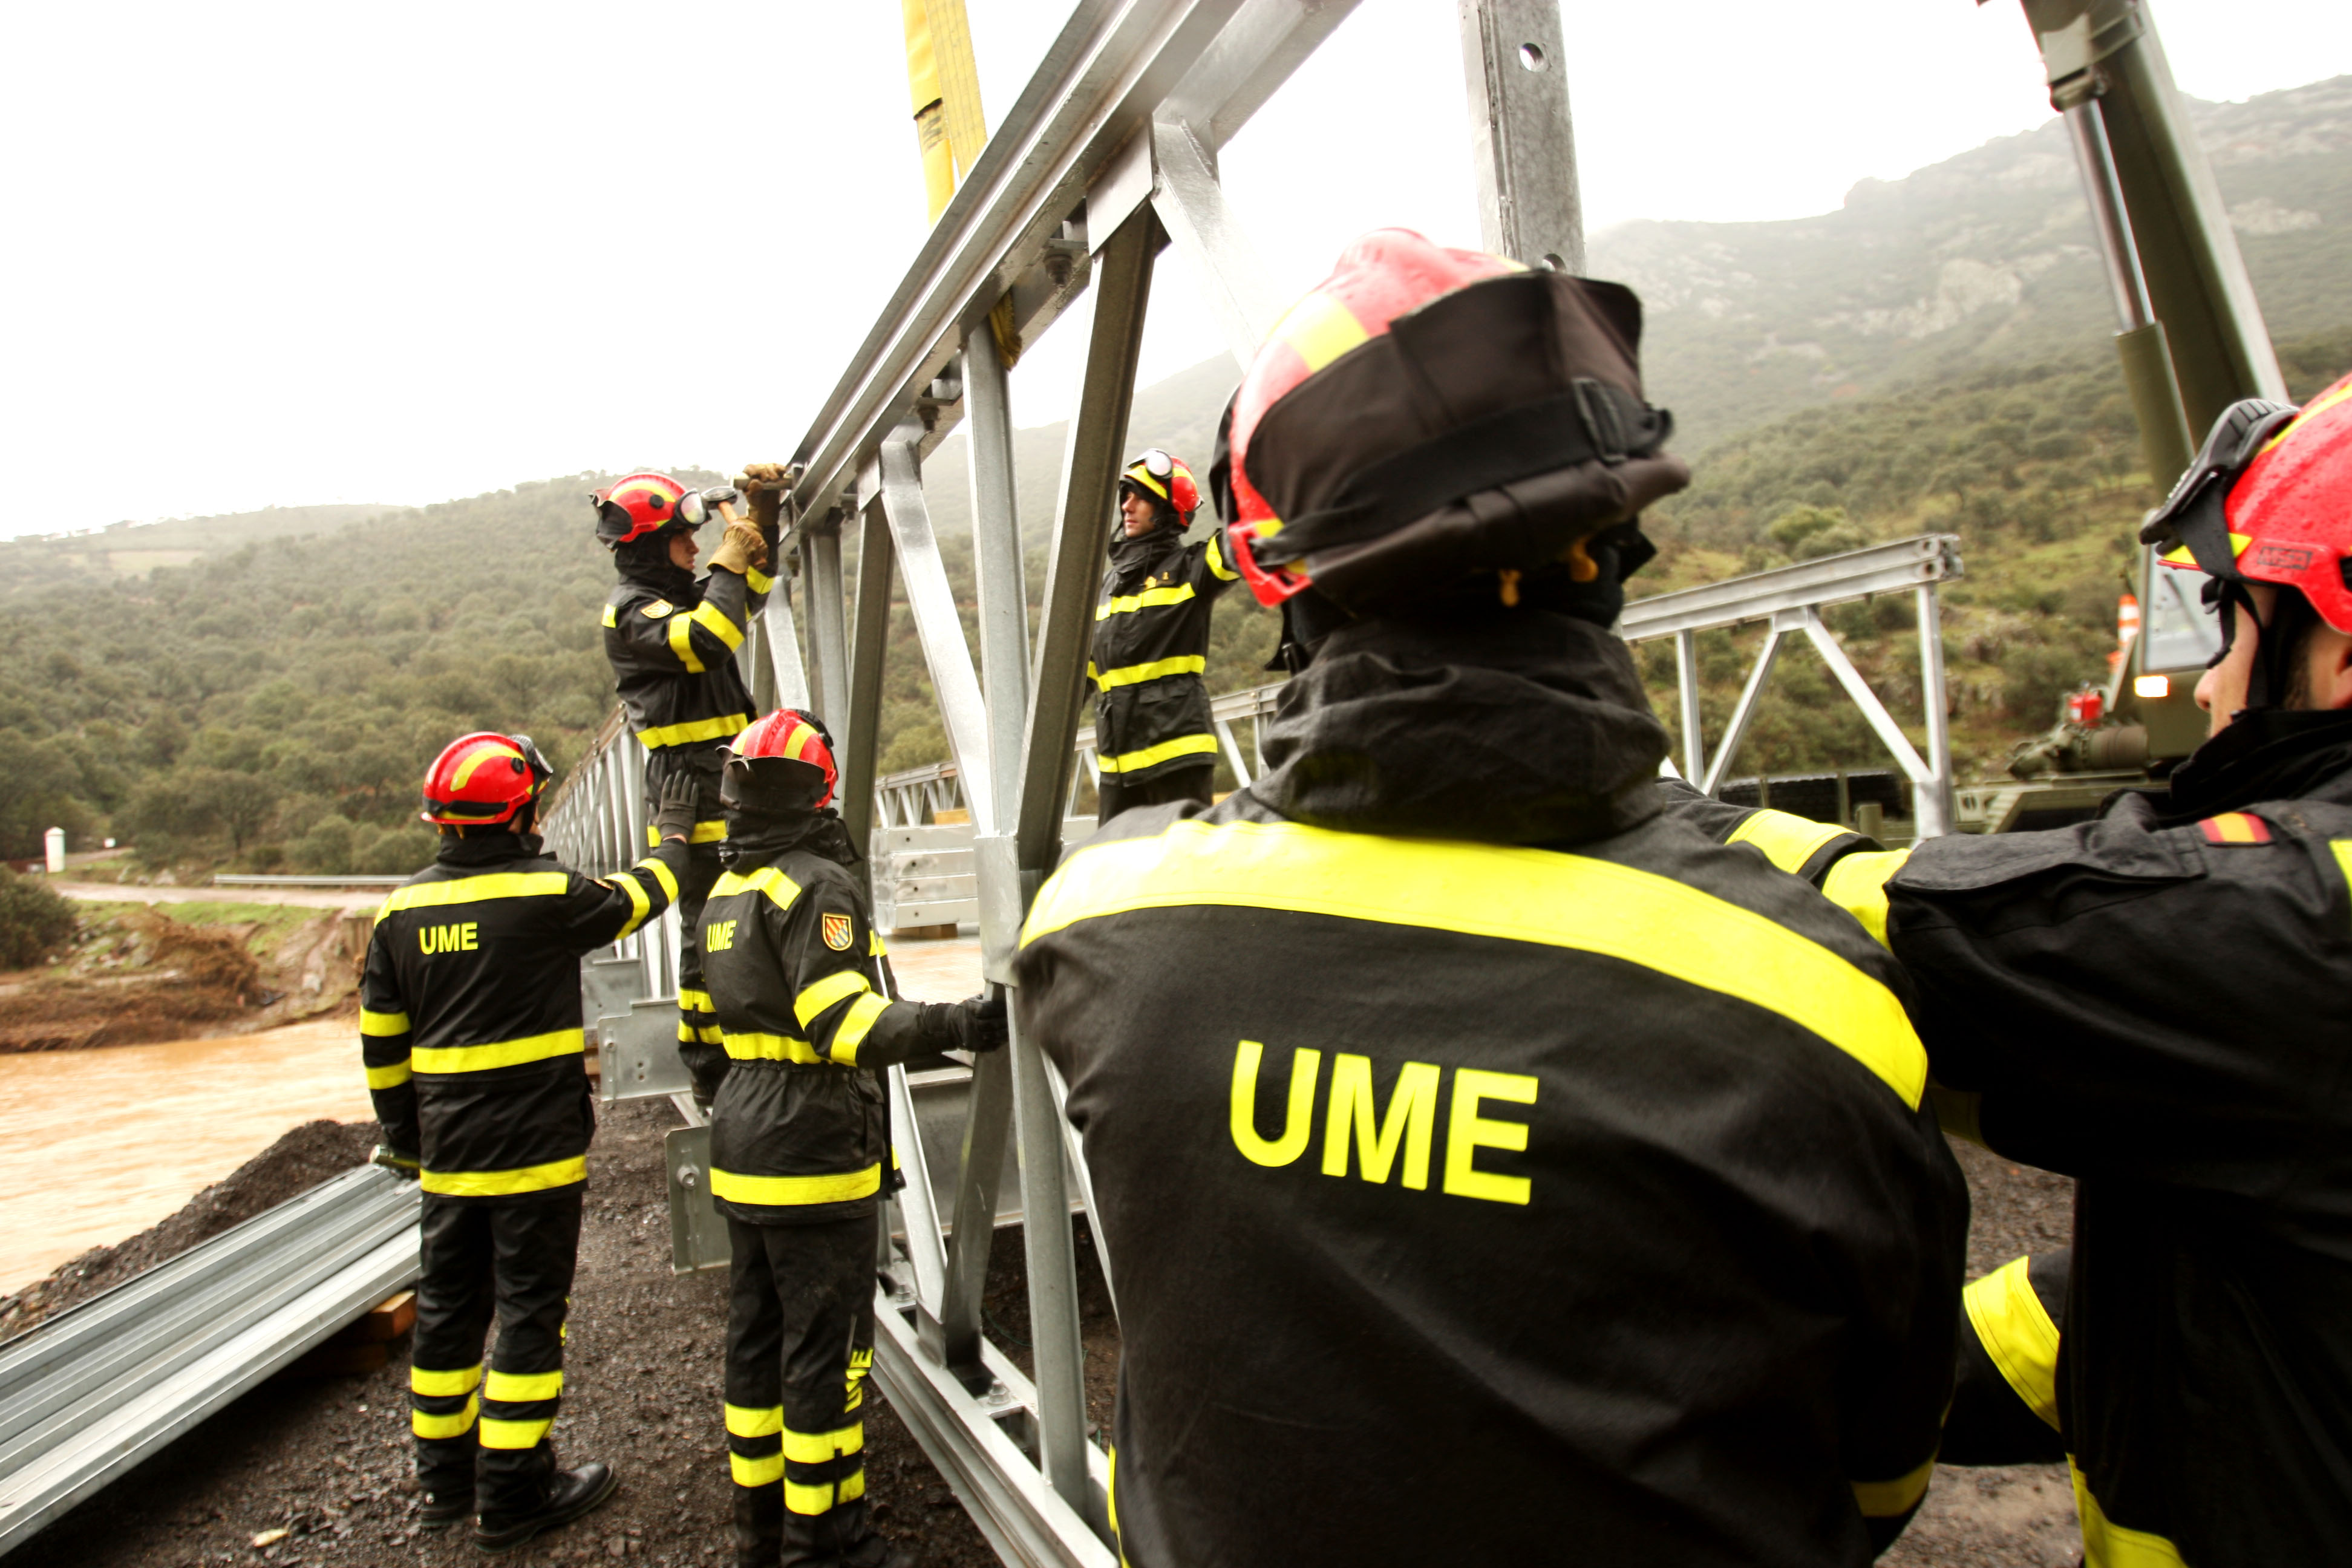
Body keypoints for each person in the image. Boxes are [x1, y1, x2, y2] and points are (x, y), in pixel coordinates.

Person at [1010, 230, 1968, 1567]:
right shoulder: (1827, 1012)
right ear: (1615, 540)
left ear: (1280, 572)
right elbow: (1876, 1475)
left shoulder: (1094, 931)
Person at [1705, 382, 2352, 1567]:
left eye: (2231, 630)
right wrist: (1871, 1369)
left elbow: (1910, 932)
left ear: (2343, 655)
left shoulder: (2299, 923)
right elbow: (2204, 1293)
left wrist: (1641, 829)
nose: (2206, 685)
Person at [361, 732, 698, 1552]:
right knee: (529, 1315)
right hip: (535, 1153)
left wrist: (407, 1140)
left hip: (449, 1158)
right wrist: (676, 834)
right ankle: (515, 1490)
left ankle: (445, 1484)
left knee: (448, 1313)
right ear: (519, 814)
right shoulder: (544, 893)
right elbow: (641, 897)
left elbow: (381, 1047)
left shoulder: (399, 913)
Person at [693, 708, 1005, 1568]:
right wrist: (954, 1022)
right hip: (811, 1148)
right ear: (819, 793)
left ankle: (762, 1534)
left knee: (756, 1343)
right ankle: (826, 1542)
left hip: (744, 1143)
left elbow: (717, 1028)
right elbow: (841, 1022)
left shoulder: (726, 893)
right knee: (825, 1357)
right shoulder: (817, 885)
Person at [595, 468, 783, 1080]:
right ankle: (710, 1066)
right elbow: (709, 640)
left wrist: (764, 517)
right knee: (710, 924)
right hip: (691, 787)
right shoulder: (631, 612)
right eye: (682, 537)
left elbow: (746, 596)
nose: (694, 546)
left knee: (748, 909)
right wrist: (731, 560)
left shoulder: (673, 598)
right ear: (652, 544)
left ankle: (756, 1046)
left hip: (722, 776)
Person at [1087, 448, 1240, 818]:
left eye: (1141, 498)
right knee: (1115, 855)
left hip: (1177, 760)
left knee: (1182, 855)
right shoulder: (1105, 587)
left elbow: (1245, 538)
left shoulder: (1192, 569)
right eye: (1126, 496)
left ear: (1168, 511)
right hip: (1116, 769)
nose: (1127, 506)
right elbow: (1084, 677)